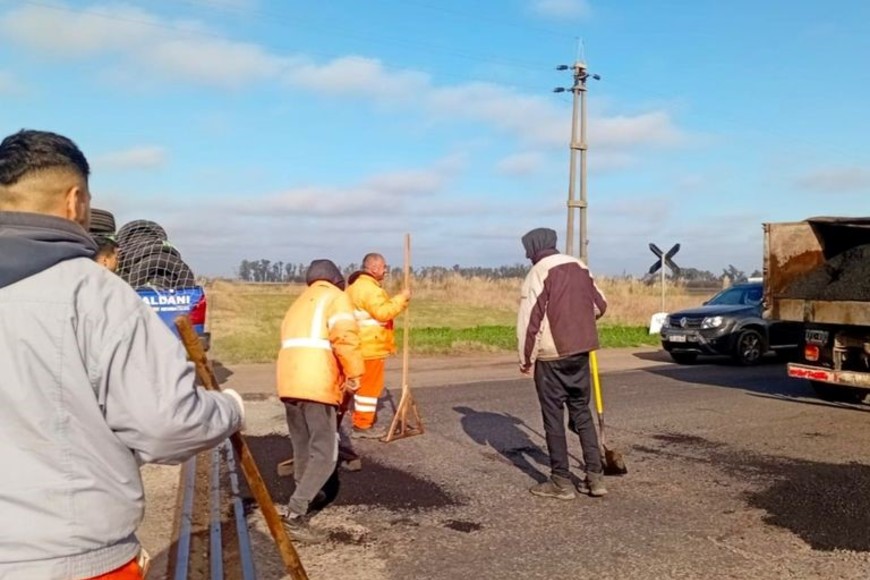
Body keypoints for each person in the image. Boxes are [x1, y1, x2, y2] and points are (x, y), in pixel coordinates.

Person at [0, 129, 245, 579]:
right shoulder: (94, 294)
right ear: (75, 201)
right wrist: (228, 410)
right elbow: (168, 426)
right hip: (72, 560)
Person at [516, 227, 609, 500]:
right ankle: (595, 478)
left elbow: (529, 322)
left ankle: (560, 481)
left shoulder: (538, 273)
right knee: (582, 412)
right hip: (581, 352)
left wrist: (525, 360)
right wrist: (579, 323)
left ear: (532, 248)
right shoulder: (579, 266)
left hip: (551, 357)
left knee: (553, 418)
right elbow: (601, 305)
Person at [276, 259, 364, 543]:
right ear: (337, 280)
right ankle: (295, 513)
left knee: (302, 446)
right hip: (316, 383)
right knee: (326, 453)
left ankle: (306, 494)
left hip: (289, 383)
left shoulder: (298, 303)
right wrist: (354, 373)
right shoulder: (336, 298)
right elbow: (345, 338)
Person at [346, 252, 410, 438]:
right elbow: (383, 313)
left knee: (354, 385)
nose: (385, 270)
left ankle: (350, 417)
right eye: (384, 267)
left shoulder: (354, 287)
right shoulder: (370, 289)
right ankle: (363, 426)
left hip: (355, 345)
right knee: (369, 388)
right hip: (370, 347)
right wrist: (401, 298)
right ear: (374, 268)